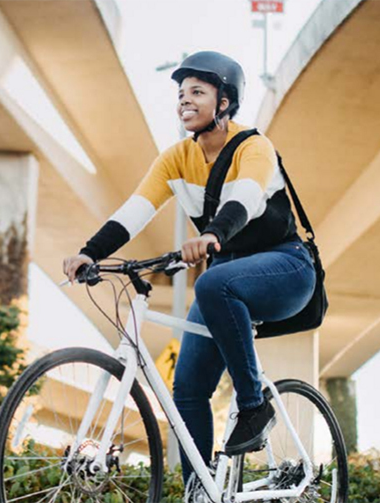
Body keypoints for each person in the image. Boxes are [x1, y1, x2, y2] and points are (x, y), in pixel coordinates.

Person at [62, 51, 315, 485]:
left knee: (212, 282)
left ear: (224, 102)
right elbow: (135, 210)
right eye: (181, 94)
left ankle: (253, 407)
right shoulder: (176, 158)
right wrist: (90, 252)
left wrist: (213, 234)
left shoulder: (255, 146)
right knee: (187, 389)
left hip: (287, 268)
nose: (185, 100)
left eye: (197, 91)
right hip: (227, 278)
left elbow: (245, 199)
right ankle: (203, 488)